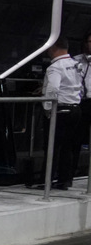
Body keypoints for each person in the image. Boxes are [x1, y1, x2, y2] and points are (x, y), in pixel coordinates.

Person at [42, 38, 83, 190]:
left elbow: (52, 89)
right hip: (75, 108)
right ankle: (65, 180)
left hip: (60, 110)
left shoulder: (55, 67)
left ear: (53, 47)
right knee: (67, 147)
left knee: (52, 146)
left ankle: (46, 180)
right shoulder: (76, 65)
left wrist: (47, 110)